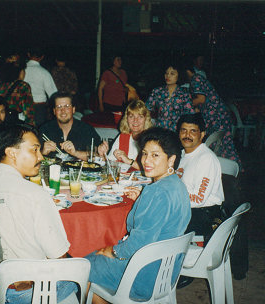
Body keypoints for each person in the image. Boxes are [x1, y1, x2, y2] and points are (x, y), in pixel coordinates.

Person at [0, 123, 78, 304]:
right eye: (34, 150)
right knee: (88, 273)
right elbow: (59, 257)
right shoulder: (34, 194)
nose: (40, 156)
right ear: (12, 153)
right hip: (28, 293)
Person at [86, 127, 191, 303]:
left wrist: (112, 251)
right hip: (166, 272)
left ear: (171, 159)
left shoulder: (156, 193)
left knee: (84, 265)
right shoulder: (177, 185)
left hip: (142, 276)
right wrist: (143, 198)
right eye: (144, 154)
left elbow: (137, 244)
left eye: (155, 155)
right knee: (97, 264)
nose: (146, 161)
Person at [176, 114, 224, 240]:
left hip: (204, 214)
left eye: (193, 131)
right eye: (183, 130)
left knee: (157, 221)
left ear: (202, 134)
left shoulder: (205, 159)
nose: (187, 135)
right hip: (189, 209)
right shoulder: (182, 154)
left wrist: (170, 200)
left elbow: (198, 199)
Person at [185, 65, 241, 166]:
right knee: (224, 144)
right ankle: (233, 169)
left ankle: (232, 169)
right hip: (218, 115)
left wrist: (184, 104)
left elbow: (201, 99)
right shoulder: (199, 78)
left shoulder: (195, 79)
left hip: (217, 116)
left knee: (222, 143)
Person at [40, 92, 101, 161]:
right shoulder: (45, 129)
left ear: (73, 109)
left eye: (67, 106)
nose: (63, 111)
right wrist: (43, 152)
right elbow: (31, 158)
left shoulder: (86, 130)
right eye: (59, 107)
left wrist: (75, 153)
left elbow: (97, 157)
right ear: (54, 111)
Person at [98, 100, 152, 170]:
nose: (135, 120)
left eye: (140, 116)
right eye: (131, 116)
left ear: (146, 119)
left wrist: (128, 160)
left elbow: (151, 168)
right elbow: (110, 164)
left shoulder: (150, 140)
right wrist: (103, 155)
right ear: (126, 119)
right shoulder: (122, 137)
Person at [146, 64, 194, 132]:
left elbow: (190, 115)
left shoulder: (184, 93)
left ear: (179, 75)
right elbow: (146, 109)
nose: (168, 76)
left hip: (176, 133)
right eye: (166, 73)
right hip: (159, 131)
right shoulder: (157, 91)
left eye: (172, 73)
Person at [0, 59, 35, 125]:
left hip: (2, 121)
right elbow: (28, 110)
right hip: (17, 121)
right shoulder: (23, 86)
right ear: (20, 72)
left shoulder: (1, 85)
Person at [24, 48, 58, 126]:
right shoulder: (44, 72)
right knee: (38, 131)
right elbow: (53, 94)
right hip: (39, 108)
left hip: (23, 107)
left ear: (28, 54)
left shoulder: (21, 70)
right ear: (42, 57)